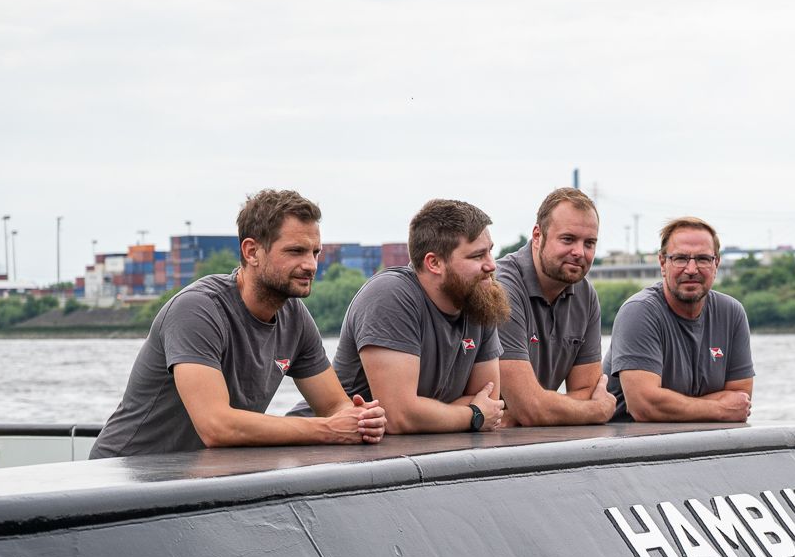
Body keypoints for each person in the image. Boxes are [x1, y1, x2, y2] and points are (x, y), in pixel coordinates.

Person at [91, 189, 386, 458]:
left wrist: (361, 420)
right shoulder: (197, 310)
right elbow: (217, 426)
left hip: (192, 476)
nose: (311, 264)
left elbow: (334, 406)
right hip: (122, 476)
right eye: (296, 251)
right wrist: (329, 430)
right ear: (251, 252)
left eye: (315, 252)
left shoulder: (295, 317)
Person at [308, 197, 511, 433]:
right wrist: (472, 415)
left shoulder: (478, 298)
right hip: (322, 452)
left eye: (490, 252)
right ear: (434, 263)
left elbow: (490, 402)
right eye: (477, 256)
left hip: (409, 449)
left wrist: (427, 413)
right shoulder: (391, 295)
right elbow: (399, 417)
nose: (491, 265)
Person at [605, 217, 754, 422]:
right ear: (663, 263)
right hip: (627, 446)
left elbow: (740, 400)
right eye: (681, 258)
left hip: (694, 443)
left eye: (703, 259)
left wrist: (670, 403)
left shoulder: (732, 313)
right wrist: (718, 408)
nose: (691, 269)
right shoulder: (639, 312)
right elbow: (643, 406)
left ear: (716, 263)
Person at [494, 187, 616, 426]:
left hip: (521, 438)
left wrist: (526, 412)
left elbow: (587, 391)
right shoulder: (502, 288)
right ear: (538, 236)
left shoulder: (585, 294)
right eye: (568, 239)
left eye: (589, 243)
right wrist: (596, 411)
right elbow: (531, 408)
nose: (579, 252)